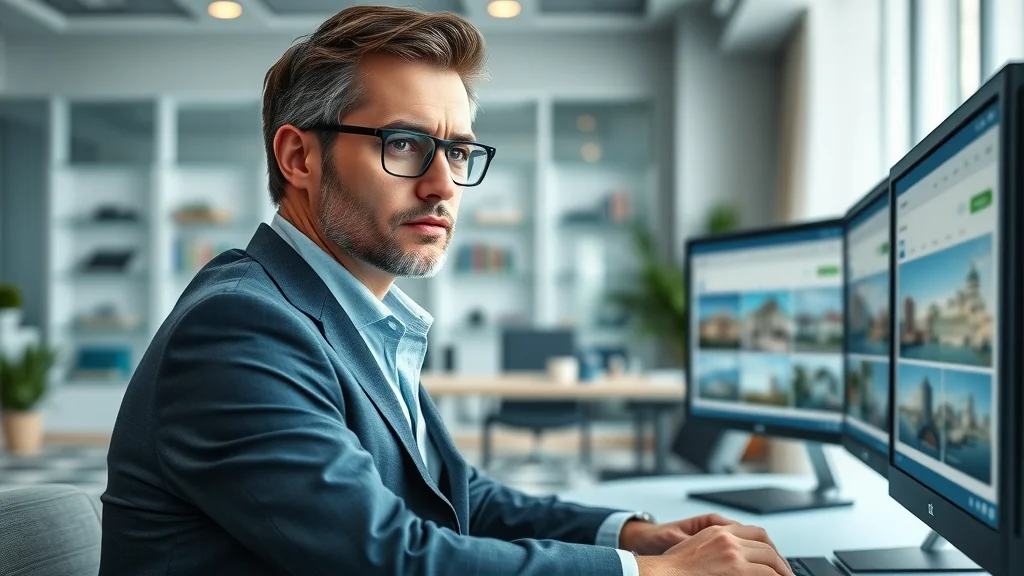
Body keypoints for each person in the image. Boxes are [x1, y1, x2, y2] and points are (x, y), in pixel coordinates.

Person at [99, 6, 793, 576]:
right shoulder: (239, 328)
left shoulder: (357, 319)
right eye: (403, 144)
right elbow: (385, 559)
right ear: (299, 156)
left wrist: (636, 537)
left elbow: (459, 498)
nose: (441, 184)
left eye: (457, 151)